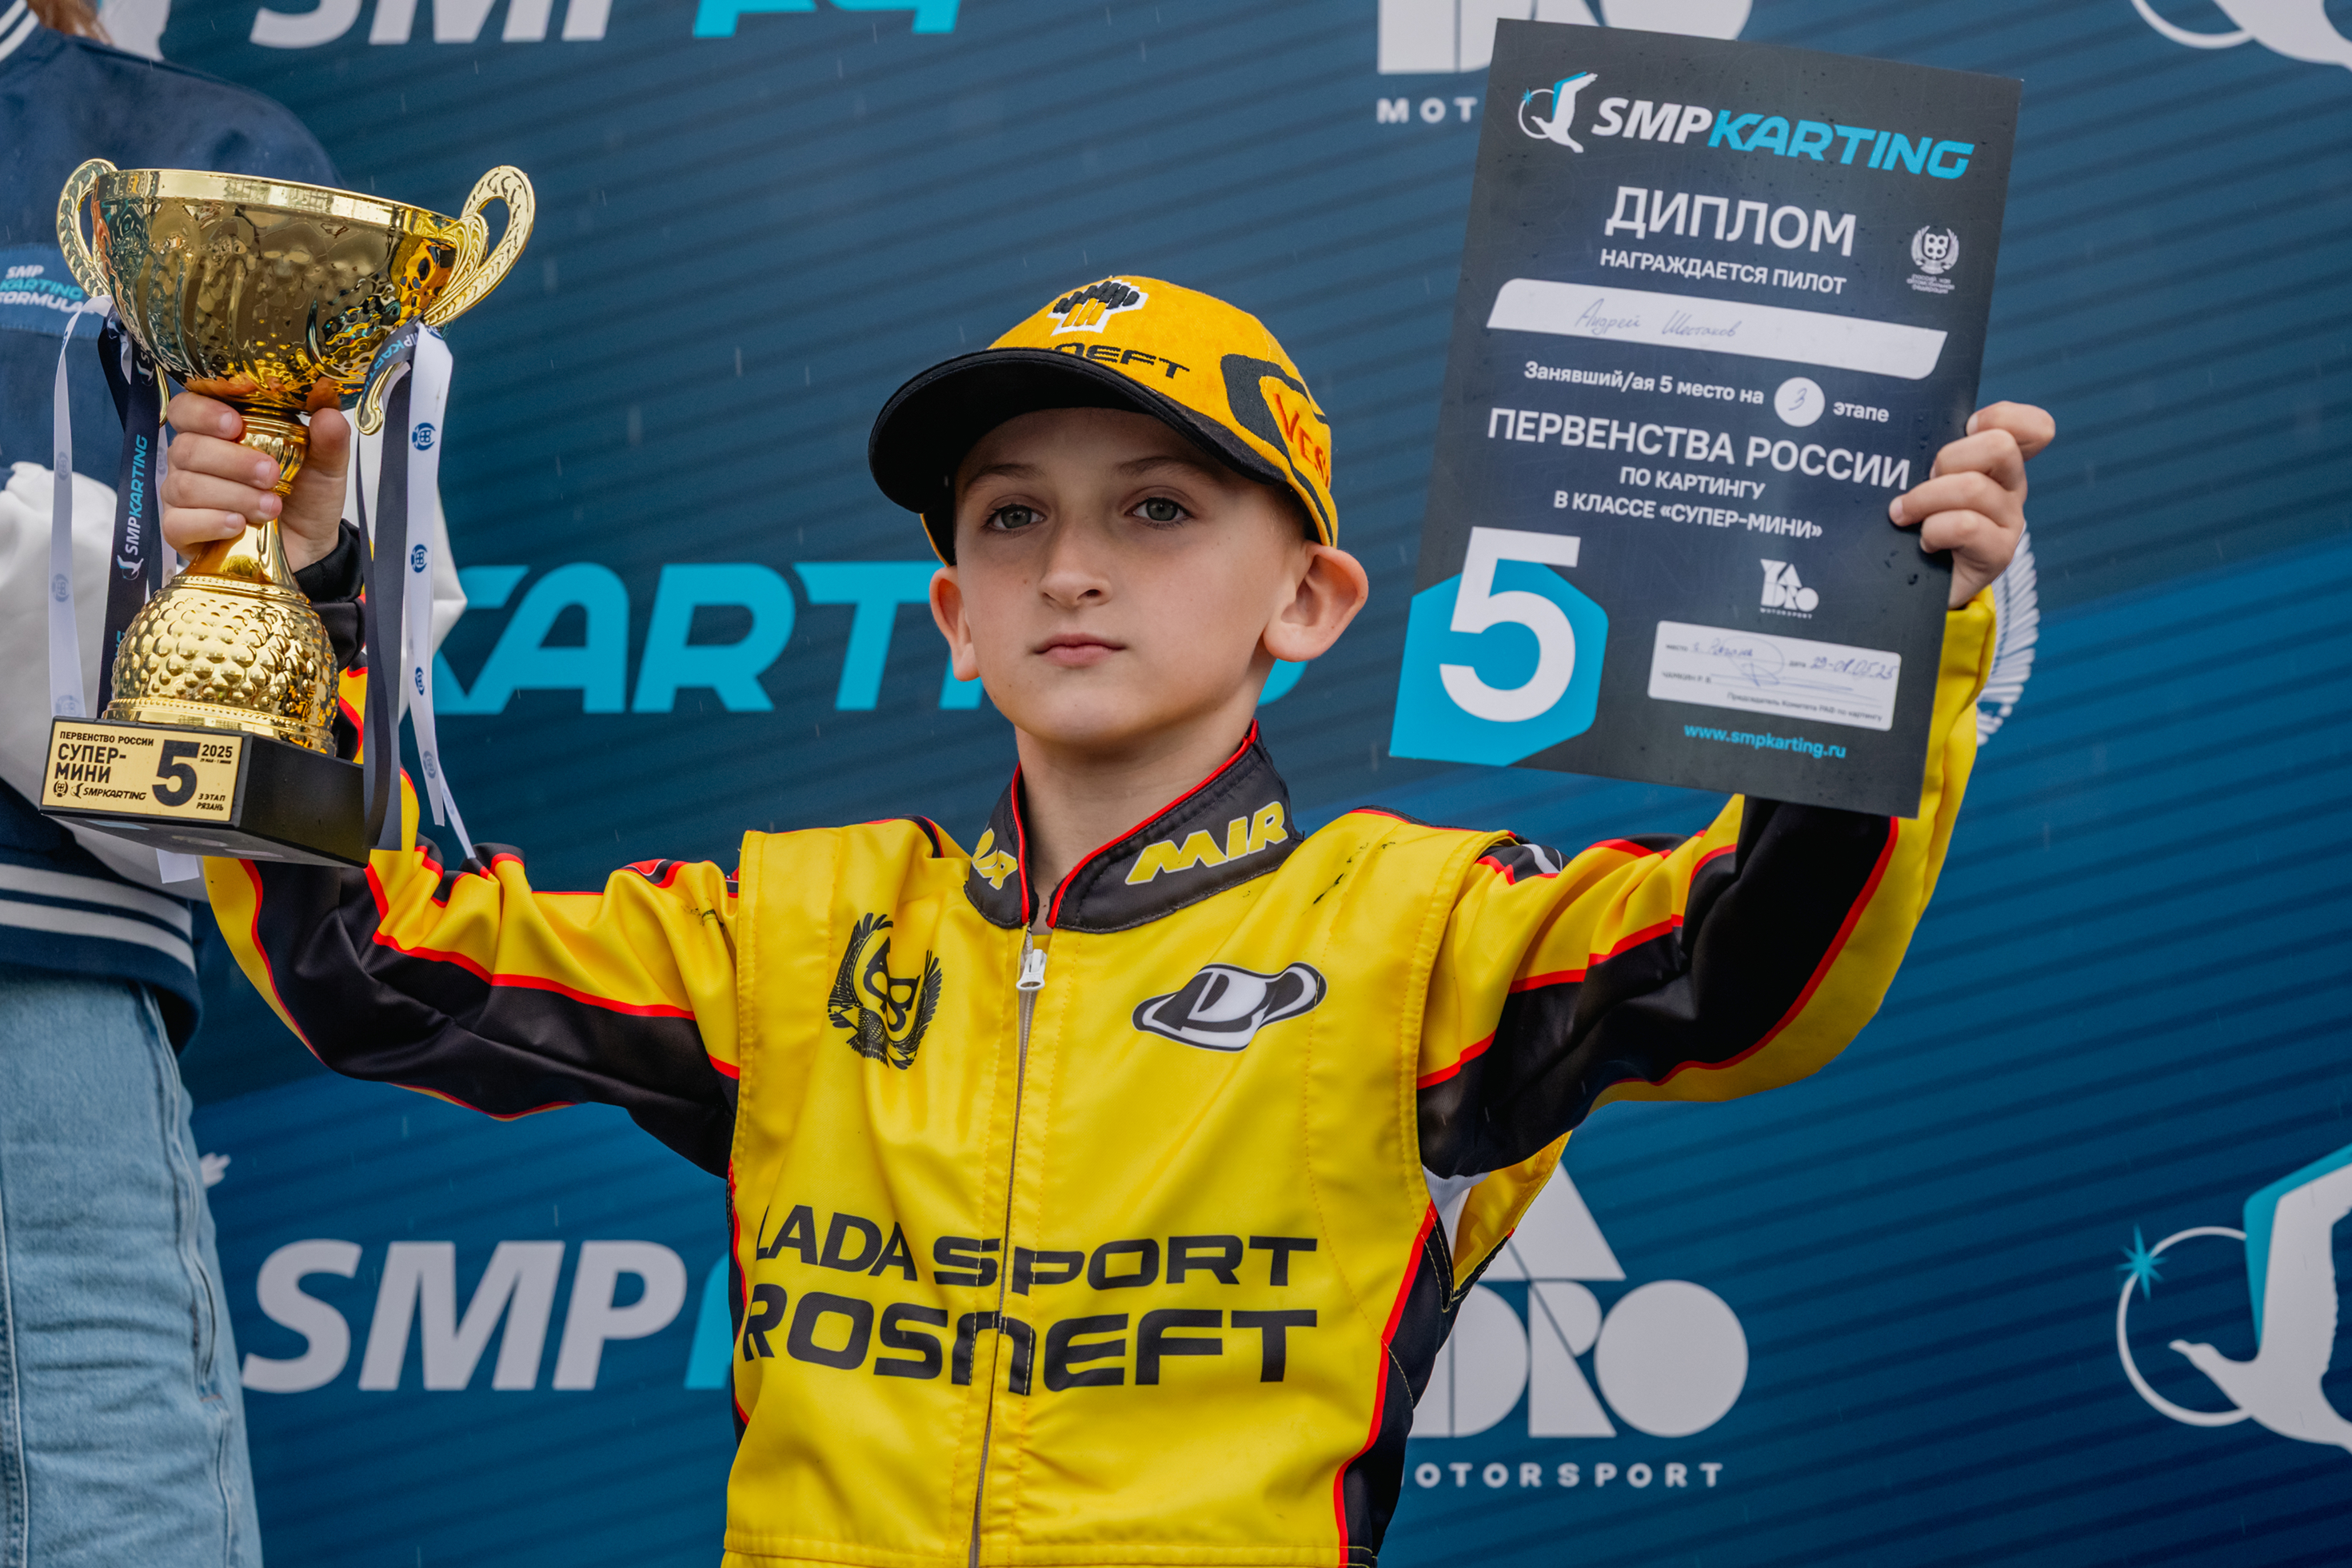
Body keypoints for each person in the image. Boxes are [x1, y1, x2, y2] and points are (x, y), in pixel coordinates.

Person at [175, 276, 2048, 1567]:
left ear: (1307, 601)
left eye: (1156, 509)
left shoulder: (1421, 933)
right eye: (1008, 520)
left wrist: (1897, 637)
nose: (1069, 565)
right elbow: (375, 964)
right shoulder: (794, 929)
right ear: (952, 616)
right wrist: (300, 585)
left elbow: (1738, 966)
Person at [0, 2, 349, 1562]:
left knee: (107, 1509)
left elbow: (289, 723)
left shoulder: (201, 164)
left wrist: (279, 549)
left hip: (37, 993)